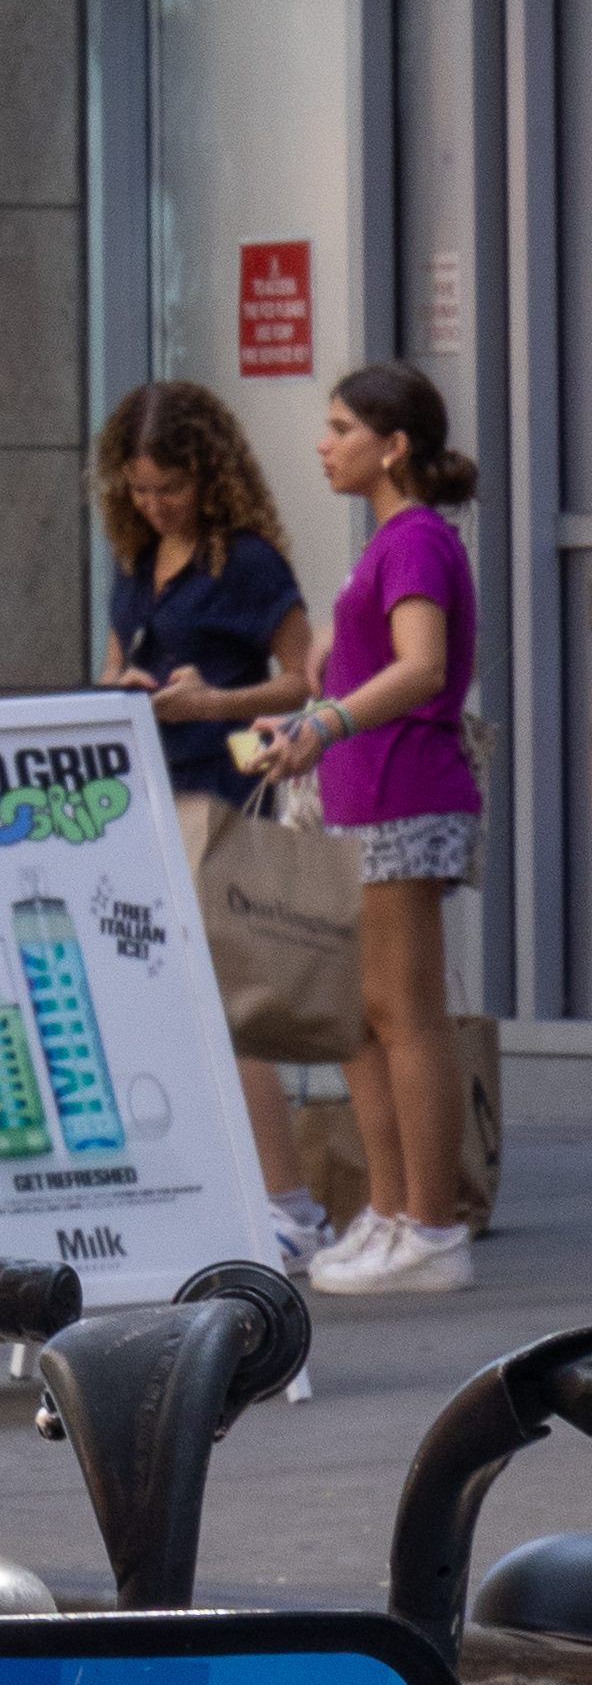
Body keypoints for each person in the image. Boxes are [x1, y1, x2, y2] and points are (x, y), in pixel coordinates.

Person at [245, 361, 487, 1301]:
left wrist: (328, 722)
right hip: (365, 797)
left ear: (392, 446)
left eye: (341, 426)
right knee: (367, 1015)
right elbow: (366, 670)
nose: (323, 441)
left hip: (403, 796)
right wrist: (312, 705)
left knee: (405, 1014)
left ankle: (431, 1226)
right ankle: (393, 1211)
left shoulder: (415, 540)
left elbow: (424, 669)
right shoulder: (390, 539)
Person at [93, 377, 323, 1261]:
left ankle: (290, 1203)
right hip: (147, 789)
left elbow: (305, 678)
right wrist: (122, 689)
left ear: (210, 475)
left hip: (221, 789)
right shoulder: (132, 558)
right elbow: (119, 658)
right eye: (140, 490)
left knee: (232, 1004)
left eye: (171, 489)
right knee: (169, 998)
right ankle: (231, 1189)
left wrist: (213, 701)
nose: (155, 506)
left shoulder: (247, 561)